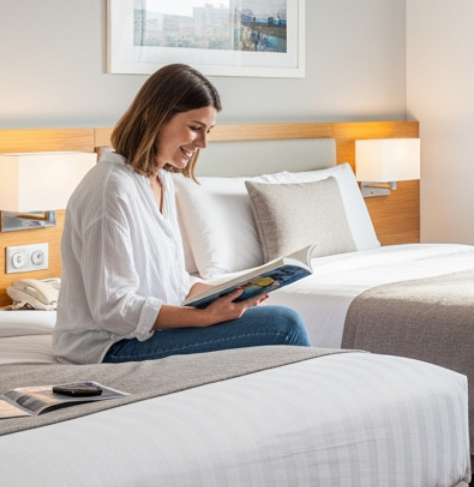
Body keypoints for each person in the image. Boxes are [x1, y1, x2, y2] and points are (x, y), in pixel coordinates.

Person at [52, 63, 310, 364]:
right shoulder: (110, 190)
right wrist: (203, 319)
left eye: (208, 131)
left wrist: (228, 295)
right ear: (154, 116)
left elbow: (171, 282)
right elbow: (113, 308)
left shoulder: (161, 180)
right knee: (284, 326)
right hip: (108, 347)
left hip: (143, 334)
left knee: (274, 320)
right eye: (195, 128)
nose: (203, 143)